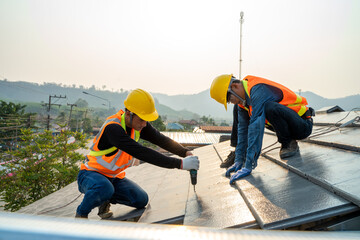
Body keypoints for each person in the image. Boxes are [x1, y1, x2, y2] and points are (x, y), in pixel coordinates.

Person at [76, 89, 199, 218]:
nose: (144, 124)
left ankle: (105, 198)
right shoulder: (113, 128)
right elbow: (141, 152)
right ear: (129, 113)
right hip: (89, 175)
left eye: (146, 120)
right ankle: (81, 214)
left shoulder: (138, 124)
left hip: (112, 178)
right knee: (104, 188)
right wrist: (179, 164)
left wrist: (185, 152)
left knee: (141, 200)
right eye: (141, 120)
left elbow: (161, 139)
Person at [210, 74, 314, 184]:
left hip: (302, 126)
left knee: (269, 107)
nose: (232, 102)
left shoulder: (258, 90)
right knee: (245, 110)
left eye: (230, 99)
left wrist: (249, 165)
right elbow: (242, 129)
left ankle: (288, 143)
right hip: (287, 127)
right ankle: (288, 139)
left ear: (235, 86)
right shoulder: (243, 101)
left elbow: (256, 127)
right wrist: (239, 159)